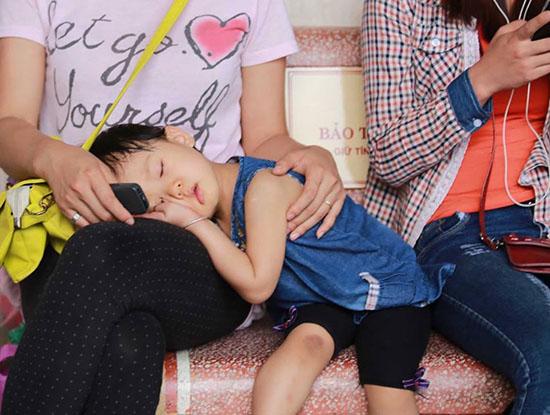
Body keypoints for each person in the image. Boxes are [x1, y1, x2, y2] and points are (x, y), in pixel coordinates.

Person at [0, 1, 349, 413]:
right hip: (70, 231)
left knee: (102, 251)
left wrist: (311, 157)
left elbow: (265, 138)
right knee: (128, 340)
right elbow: (9, 125)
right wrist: (52, 158)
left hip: (204, 251)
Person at [87, 123, 453, 415]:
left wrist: (193, 224)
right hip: (320, 300)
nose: (176, 191)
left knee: (386, 382)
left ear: (179, 137)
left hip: (386, 289)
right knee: (303, 347)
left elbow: (258, 285)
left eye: (162, 169)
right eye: (161, 202)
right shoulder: (216, 218)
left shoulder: (264, 185)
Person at [362, 0, 550, 414]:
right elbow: (389, 157)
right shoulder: (398, 5)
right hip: (453, 232)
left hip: (542, 218)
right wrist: (483, 79)